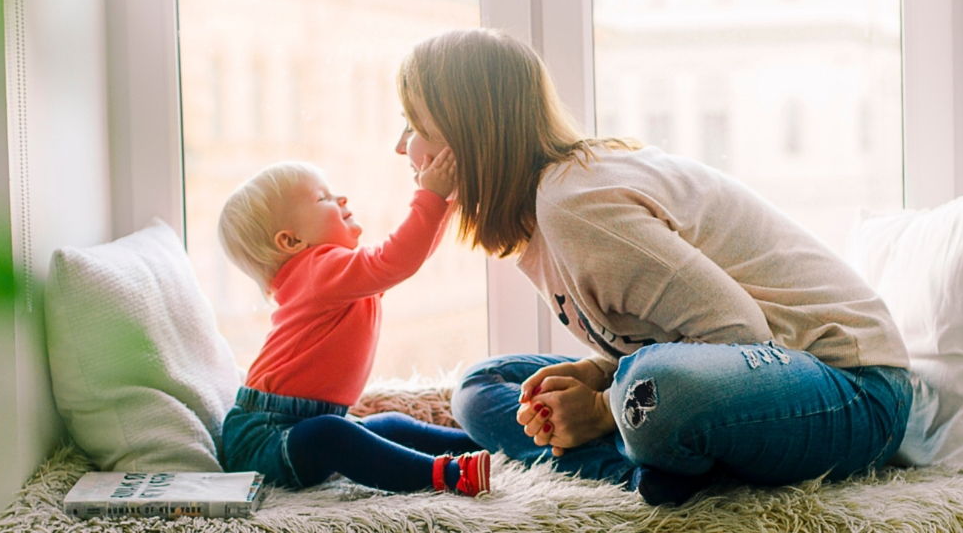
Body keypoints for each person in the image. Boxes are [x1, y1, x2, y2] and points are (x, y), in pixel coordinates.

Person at [393, 28, 913, 506]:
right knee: (484, 385)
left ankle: (644, 454)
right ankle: (651, 467)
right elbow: (672, 340)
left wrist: (600, 407)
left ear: (470, 136)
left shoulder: (575, 203)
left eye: (415, 126)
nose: (401, 146)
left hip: (852, 390)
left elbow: (741, 334)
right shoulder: (542, 215)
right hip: (746, 379)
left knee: (654, 387)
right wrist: (601, 377)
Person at [215, 157, 491, 497]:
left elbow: (406, 261)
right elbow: (397, 259)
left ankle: (483, 442)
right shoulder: (319, 271)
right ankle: (446, 475)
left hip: (300, 422)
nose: (341, 198)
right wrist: (431, 197)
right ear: (291, 241)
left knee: (388, 425)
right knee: (331, 435)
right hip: (264, 438)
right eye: (323, 198)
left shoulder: (332, 275)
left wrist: (445, 203)